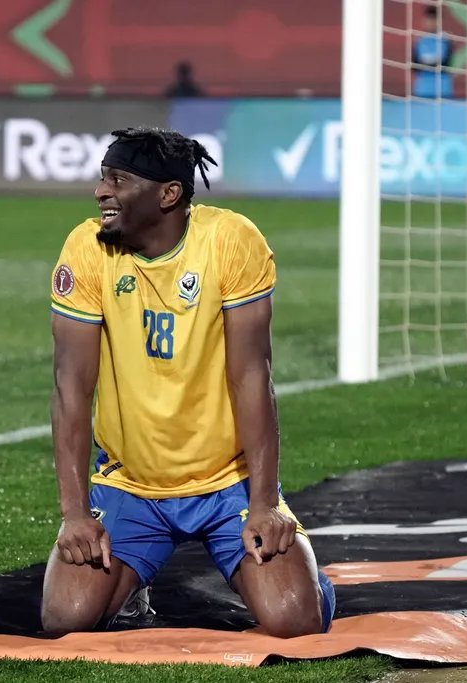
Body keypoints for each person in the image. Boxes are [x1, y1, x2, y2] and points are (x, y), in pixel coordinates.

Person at [42, 126, 335, 638]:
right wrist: (75, 514)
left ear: (168, 194)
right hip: (129, 484)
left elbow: (252, 377)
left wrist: (264, 504)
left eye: (118, 180)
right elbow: (71, 388)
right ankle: (133, 588)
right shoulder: (86, 249)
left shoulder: (230, 241)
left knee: (294, 619)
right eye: (102, 178)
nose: (100, 192)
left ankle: (311, 583)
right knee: (66, 618)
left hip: (227, 481)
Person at [412, 6, 453, 98]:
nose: (430, 23)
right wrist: (431, 62)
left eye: (433, 19)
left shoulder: (446, 40)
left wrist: (425, 63)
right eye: (428, 19)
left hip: (443, 89)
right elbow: (414, 66)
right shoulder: (419, 40)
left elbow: (446, 64)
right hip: (422, 89)